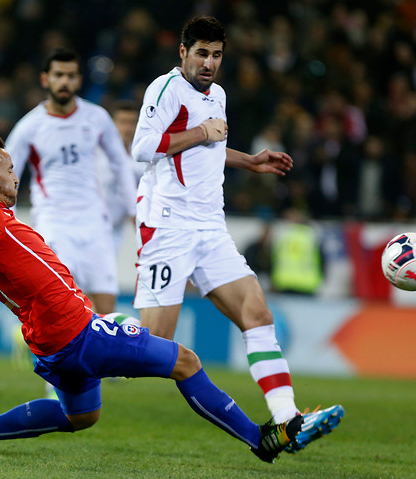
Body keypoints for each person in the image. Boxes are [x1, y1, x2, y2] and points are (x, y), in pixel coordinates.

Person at [0, 132, 302, 463]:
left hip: (47, 340)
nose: (15, 175)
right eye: (8, 169)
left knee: (82, 415)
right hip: (77, 332)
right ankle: (259, 439)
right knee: (185, 361)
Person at [130, 16, 344, 453]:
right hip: (168, 226)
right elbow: (141, 149)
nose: (209, 63)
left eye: (216, 55)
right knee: (154, 349)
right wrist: (200, 132)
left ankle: (289, 421)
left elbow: (208, 147)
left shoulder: (218, 94)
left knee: (257, 314)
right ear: (183, 52)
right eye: (202, 53)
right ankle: (92, 332)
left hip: (211, 227)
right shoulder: (166, 89)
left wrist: (251, 161)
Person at [5, 48, 137, 315]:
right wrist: (8, 222)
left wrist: (135, 211)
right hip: (54, 225)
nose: (64, 81)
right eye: (58, 75)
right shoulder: (30, 126)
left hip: (95, 225)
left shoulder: (96, 117)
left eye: (71, 76)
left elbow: (121, 163)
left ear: (79, 81)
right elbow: (6, 175)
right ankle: (42, 352)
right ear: (45, 80)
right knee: (62, 307)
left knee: (106, 310)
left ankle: (100, 358)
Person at [96, 99, 145, 252]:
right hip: (89, 226)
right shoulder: (96, 153)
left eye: (132, 122)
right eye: (122, 122)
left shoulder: (143, 158)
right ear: (112, 124)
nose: (127, 128)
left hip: (116, 228)